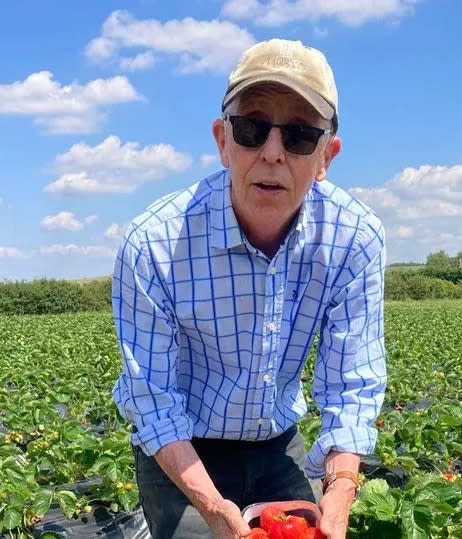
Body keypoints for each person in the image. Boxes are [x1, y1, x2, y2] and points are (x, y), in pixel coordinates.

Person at [111, 38, 386, 539]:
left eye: (301, 135)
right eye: (252, 129)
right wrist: (213, 506)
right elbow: (151, 400)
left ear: (327, 155)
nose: (273, 153)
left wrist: (341, 489)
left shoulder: (354, 237)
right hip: (182, 450)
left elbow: (352, 384)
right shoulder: (154, 242)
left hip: (278, 442)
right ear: (223, 140)